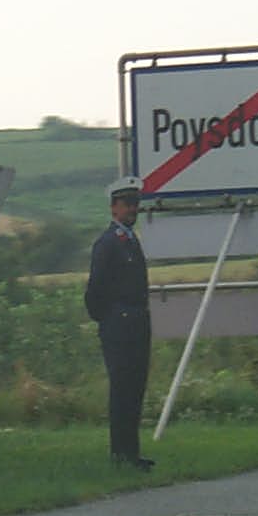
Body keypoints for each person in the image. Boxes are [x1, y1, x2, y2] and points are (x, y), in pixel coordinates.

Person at [84, 175, 154, 471]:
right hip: (119, 322)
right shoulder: (108, 243)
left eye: (135, 204)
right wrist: (108, 317)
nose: (132, 209)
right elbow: (95, 289)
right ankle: (120, 453)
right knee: (122, 388)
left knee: (135, 388)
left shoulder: (130, 240)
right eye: (127, 204)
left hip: (137, 320)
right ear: (114, 207)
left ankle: (132, 452)